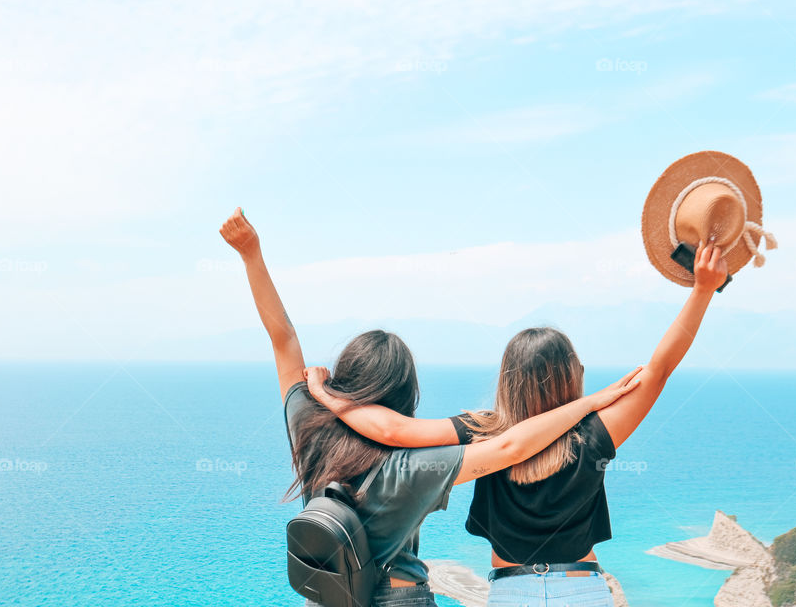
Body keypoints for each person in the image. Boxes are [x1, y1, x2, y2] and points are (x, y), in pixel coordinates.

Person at [218, 208, 643, 607]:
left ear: (347, 376)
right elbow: (511, 448)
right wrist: (589, 402)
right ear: (405, 397)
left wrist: (251, 254)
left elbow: (283, 339)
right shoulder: (413, 465)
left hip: (326, 595)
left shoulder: (307, 421)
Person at [304, 240, 729, 607]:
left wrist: (328, 396)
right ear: (572, 374)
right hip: (583, 592)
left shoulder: (483, 430)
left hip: (511, 593)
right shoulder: (595, 433)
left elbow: (393, 431)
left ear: (509, 380)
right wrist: (702, 291)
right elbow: (659, 370)